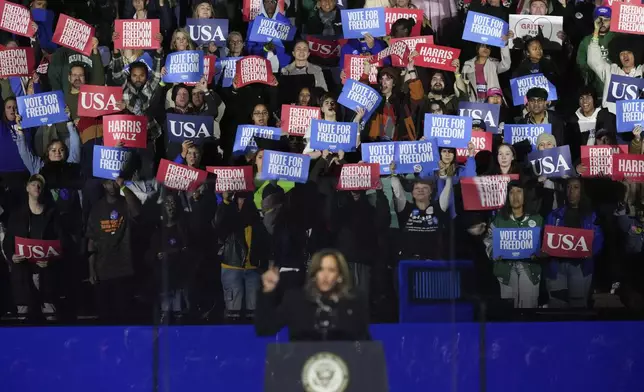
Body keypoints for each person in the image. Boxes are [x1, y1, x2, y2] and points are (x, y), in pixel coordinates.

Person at [255, 249, 371, 340]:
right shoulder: (296, 300)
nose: (325, 275)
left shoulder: (353, 303)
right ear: (314, 273)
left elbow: (364, 341)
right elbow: (265, 329)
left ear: (340, 276)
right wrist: (267, 290)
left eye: (331, 270)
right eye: (320, 269)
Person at [484, 180, 543, 308]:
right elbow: (488, 240)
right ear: (507, 196)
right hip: (506, 271)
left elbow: (545, 245)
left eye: (519, 192)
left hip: (529, 269)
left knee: (528, 312)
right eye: (511, 193)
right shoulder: (499, 220)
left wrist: (539, 254)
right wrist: (494, 253)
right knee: (508, 313)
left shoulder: (537, 219)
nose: (515, 196)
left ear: (525, 195)